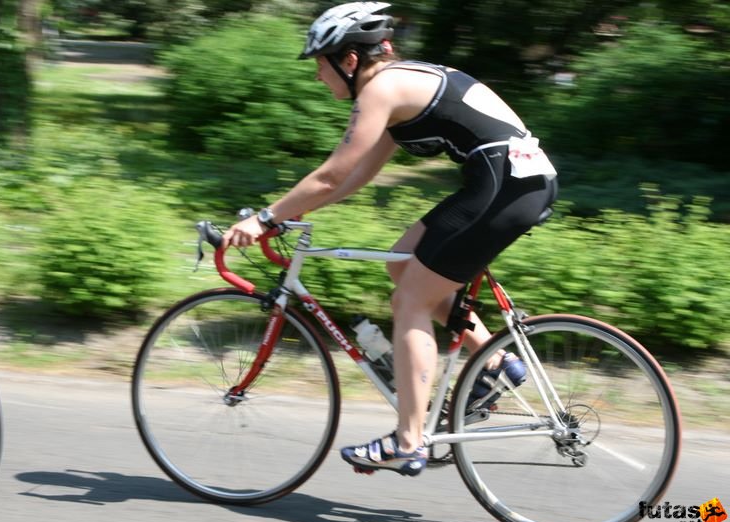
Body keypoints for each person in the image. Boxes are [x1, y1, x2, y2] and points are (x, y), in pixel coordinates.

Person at [222, 2, 558, 477]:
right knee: (402, 263)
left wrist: (264, 217)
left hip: (505, 186)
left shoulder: (381, 89)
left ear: (350, 60)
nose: (320, 77)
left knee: (411, 302)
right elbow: (353, 178)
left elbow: (331, 173)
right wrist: (289, 216)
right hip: (511, 183)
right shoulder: (400, 86)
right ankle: (496, 362)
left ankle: (408, 440)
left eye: (321, 65)